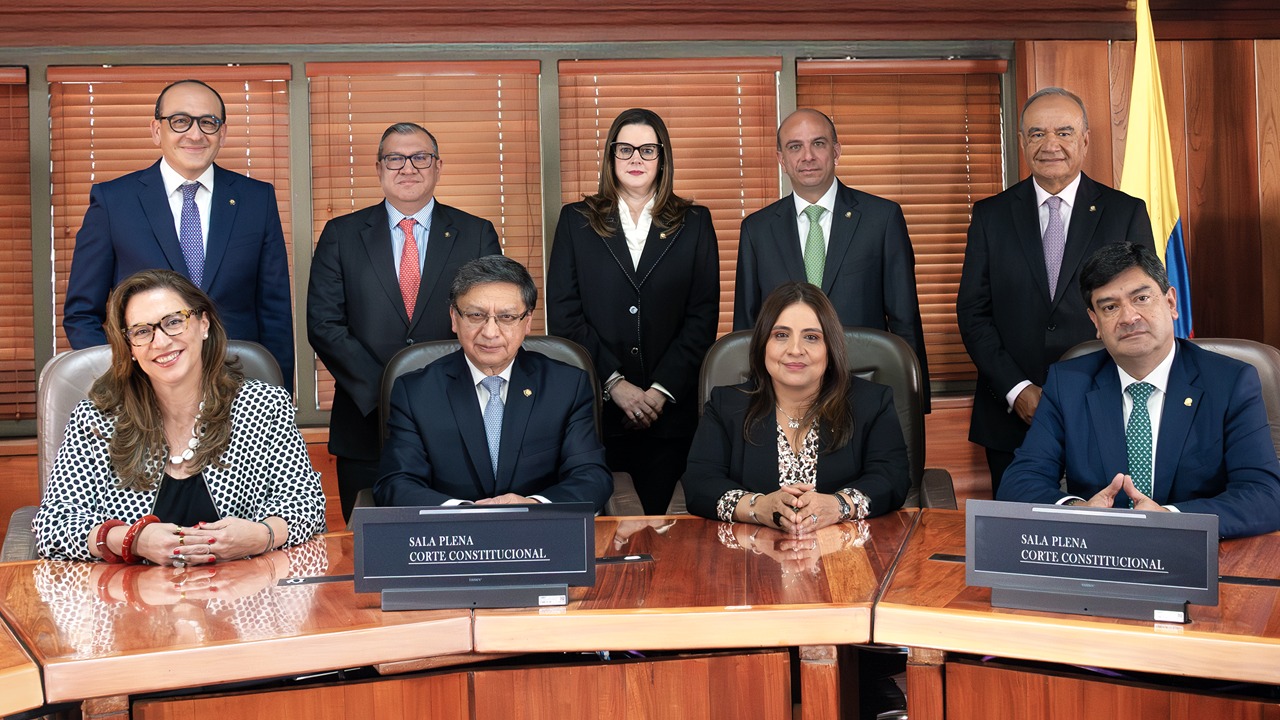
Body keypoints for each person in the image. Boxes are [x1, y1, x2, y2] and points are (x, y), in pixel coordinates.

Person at [34, 269, 326, 564]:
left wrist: (261, 536)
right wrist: (133, 540)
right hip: (132, 600)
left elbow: (306, 504)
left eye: (173, 322)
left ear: (203, 324)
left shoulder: (263, 406)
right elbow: (53, 525)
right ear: (130, 348)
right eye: (142, 331)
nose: (160, 342)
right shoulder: (97, 420)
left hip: (243, 596)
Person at [998, 243, 1280, 539]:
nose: (1129, 317)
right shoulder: (1068, 383)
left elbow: (1265, 496)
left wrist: (1173, 519)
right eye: (1110, 307)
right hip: (1100, 555)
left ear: (1171, 303)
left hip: (1197, 556)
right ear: (1095, 321)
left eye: (1141, 298)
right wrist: (1078, 510)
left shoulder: (1230, 382)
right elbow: (1020, 481)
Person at [958, 87, 1155, 496]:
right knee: (1021, 540)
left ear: (1085, 139)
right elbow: (974, 314)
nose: (1051, 145)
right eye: (1037, 134)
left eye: (1064, 132)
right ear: (1022, 142)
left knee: (1105, 536)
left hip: (1104, 406)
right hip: (1012, 416)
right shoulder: (990, 215)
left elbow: (1140, 308)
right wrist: (1018, 390)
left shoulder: (1125, 212)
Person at [308, 122, 502, 521]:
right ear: (379, 168)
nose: (407, 167)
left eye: (420, 157)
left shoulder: (476, 233)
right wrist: (387, 392)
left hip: (458, 418)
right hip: (365, 426)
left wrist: (432, 395)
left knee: (457, 543)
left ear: (437, 167)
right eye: (395, 158)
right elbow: (324, 324)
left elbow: (490, 320)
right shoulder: (341, 235)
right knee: (370, 548)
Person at [63, 79, 294, 387]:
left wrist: (277, 393)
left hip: (239, 385)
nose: (195, 134)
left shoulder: (256, 199)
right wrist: (120, 380)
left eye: (208, 122)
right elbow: (81, 314)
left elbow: (275, 313)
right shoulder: (114, 202)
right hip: (144, 388)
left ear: (222, 133)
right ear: (157, 130)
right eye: (180, 121)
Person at [547, 108, 719, 515]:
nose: (636, 159)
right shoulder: (577, 220)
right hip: (596, 410)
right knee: (602, 537)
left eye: (647, 149)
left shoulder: (695, 222)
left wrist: (660, 391)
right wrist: (614, 384)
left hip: (671, 414)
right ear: (610, 157)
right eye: (625, 149)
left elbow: (702, 316)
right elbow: (565, 313)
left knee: (666, 535)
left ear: (663, 157)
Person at [374, 255, 613, 510]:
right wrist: (466, 514)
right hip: (451, 539)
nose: (490, 332)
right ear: (454, 318)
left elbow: (591, 477)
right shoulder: (416, 392)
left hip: (540, 537)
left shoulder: (566, 386)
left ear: (528, 321)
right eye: (476, 315)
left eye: (507, 317)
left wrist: (533, 506)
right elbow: (396, 483)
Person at [733, 108, 929, 409]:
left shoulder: (882, 218)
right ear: (781, 159)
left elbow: (905, 320)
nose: (807, 156)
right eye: (795, 146)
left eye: (819, 144)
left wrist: (914, 401)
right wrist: (747, 404)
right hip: (784, 396)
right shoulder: (756, 230)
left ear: (836, 151)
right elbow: (746, 328)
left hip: (865, 388)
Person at [684, 282, 910, 532]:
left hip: (846, 557)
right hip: (752, 556)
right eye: (781, 335)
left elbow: (892, 478)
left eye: (811, 337)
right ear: (763, 344)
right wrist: (757, 507)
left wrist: (838, 506)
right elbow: (699, 484)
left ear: (830, 348)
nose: (795, 350)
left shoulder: (871, 402)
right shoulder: (726, 405)